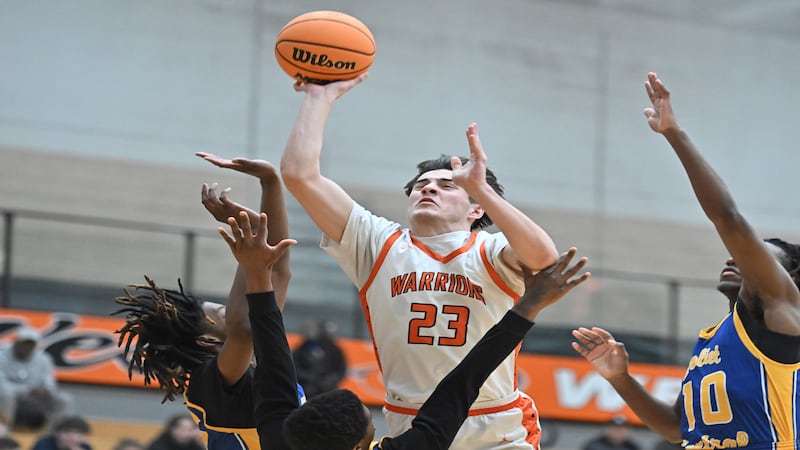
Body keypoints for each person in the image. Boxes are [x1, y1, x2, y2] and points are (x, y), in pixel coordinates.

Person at [279, 73, 560, 449]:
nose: (428, 187)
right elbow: (300, 176)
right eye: (421, 184)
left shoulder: (490, 250)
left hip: (493, 425)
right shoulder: (377, 242)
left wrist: (483, 189)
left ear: (477, 207)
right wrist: (319, 97)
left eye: (448, 185)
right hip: (410, 420)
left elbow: (544, 258)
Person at [215, 211, 588, 450]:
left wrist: (529, 306)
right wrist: (256, 272)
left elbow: (274, 364)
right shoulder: (279, 438)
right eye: (369, 423)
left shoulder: (287, 438)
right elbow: (461, 385)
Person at [571, 72, 800, 449]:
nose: (734, 254)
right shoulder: (713, 339)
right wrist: (620, 379)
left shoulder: (780, 312)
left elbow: (728, 218)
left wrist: (674, 134)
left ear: (789, 277)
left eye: (756, 253)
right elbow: (677, 428)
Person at [114, 156, 303, 450]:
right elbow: (243, 328)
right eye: (220, 311)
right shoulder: (206, 383)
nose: (231, 309)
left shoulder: (248, 360)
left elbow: (277, 269)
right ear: (205, 341)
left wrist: (271, 183)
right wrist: (250, 249)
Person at [0, 327, 73, 430]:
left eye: (30, 344)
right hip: (8, 396)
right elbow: (2, 386)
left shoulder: (43, 359)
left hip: (34, 397)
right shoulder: (2, 355)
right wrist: (28, 390)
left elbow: (49, 382)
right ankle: (4, 430)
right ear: (16, 342)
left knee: (64, 399)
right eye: (24, 343)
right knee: (6, 395)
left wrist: (46, 389)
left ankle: (56, 434)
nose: (26, 347)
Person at [292, 319, 347, 398]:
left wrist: (331, 379)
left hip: (328, 390)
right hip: (307, 389)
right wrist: (310, 378)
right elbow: (295, 369)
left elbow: (341, 370)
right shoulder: (301, 349)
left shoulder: (335, 351)